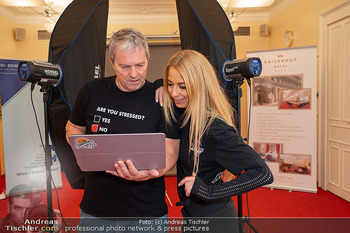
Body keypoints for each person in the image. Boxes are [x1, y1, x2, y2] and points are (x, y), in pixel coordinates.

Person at [65, 28, 179, 232]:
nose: (134, 74)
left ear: (148, 58)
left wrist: (151, 173)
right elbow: (73, 128)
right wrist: (86, 150)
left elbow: (170, 150)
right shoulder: (91, 90)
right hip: (96, 211)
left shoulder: (162, 99)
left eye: (140, 65)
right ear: (112, 63)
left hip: (147, 214)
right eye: (125, 66)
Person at [162, 50, 274, 231]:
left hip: (216, 220)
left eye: (182, 86)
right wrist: (160, 86)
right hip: (193, 216)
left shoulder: (214, 128)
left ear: (199, 85)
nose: (174, 93)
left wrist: (209, 191)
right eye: (170, 84)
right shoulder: (185, 114)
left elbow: (263, 173)